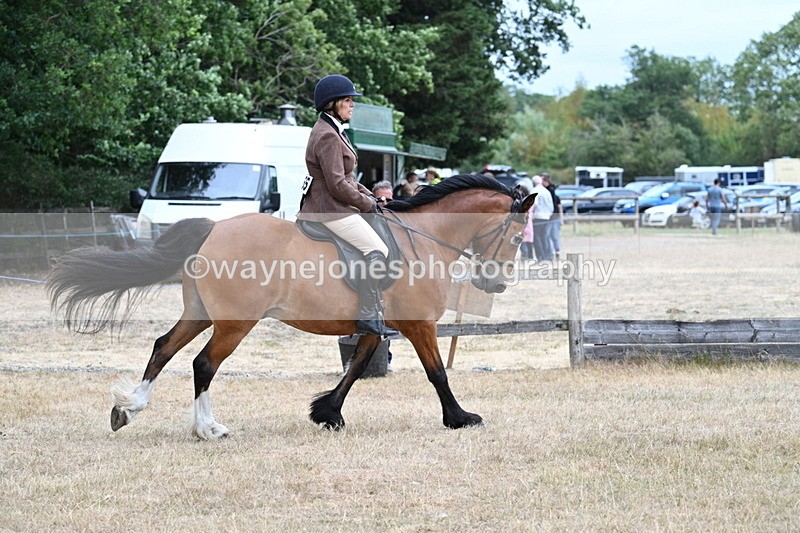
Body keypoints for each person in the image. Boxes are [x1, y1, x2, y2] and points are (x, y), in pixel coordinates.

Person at [297, 74, 397, 337]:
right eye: (348, 100)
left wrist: (373, 199)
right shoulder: (327, 135)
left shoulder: (331, 130)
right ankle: (366, 313)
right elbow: (338, 185)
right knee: (376, 248)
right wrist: (366, 205)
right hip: (329, 209)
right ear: (332, 103)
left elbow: (349, 179)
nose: (352, 104)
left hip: (331, 205)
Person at [530, 175, 554, 262]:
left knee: (537, 238)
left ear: (533, 182)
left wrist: (531, 214)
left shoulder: (534, 190)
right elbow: (551, 206)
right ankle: (548, 256)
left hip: (538, 217)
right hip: (547, 217)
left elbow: (534, 204)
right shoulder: (546, 191)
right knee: (545, 237)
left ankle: (540, 256)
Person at [541, 173, 563, 261]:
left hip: (553, 217)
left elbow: (556, 206)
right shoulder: (548, 190)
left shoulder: (550, 190)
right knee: (548, 235)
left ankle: (556, 252)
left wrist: (560, 218)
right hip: (549, 216)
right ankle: (551, 252)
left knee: (553, 235)